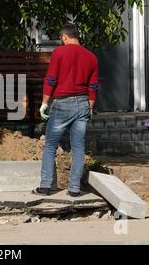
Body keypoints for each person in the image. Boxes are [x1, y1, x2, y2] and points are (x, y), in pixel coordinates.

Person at [34, 24, 99, 197]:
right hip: (84, 103)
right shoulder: (91, 57)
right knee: (78, 148)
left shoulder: (59, 53)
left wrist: (44, 103)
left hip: (63, 103)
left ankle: (46, 186)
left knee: (50, 145)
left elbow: (51, 79)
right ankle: (74, 189)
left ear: (64, 37)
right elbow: (93, 85)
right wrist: (90, 107)